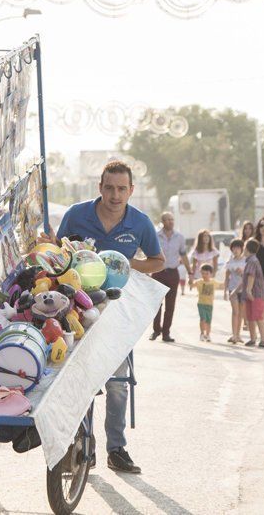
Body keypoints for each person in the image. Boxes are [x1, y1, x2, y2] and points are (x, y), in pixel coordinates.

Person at [39, 160, 164, 474]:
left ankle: (117, 449)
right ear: (100, 188)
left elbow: (158, 261)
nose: (115, 194)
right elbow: (59, 254)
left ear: (131, 190)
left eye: (122, 188)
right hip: (78, 309)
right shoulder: (77, 214)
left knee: (117, 383)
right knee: (78, 379)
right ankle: (82, 445)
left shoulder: (140, 223)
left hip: (118, 314)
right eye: (109, 187)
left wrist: (123, 266)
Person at [152, 212, 191, 342]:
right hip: (158, 272)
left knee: (171, 305)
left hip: (173, 273)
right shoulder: (155, 236)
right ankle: (156, 330)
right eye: (168, 220)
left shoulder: (179, 237)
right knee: (156, 303)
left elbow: (183, 254)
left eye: (172, 219)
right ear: (163, 221)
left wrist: (189, 270)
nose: (171, 222)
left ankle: (166, 333)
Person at [242, 238, 264, 348]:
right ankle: (253, 339)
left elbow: (251, 276)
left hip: (255, 294)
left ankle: (263, 339)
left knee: (258, 316)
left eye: (244, 248)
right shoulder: (250, 260)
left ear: (247, 249)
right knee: (250, 317)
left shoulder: (252, 261)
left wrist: (248, 290)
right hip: (252, 294)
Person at [224, 239, 246, 344]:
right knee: (235, 312)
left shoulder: (245, 261)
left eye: (238, 248)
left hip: (243, 289)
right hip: (232, 289)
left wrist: (242, 273)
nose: (236, 250)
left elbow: (249, 276)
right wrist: (225, 291)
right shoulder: (230, 261)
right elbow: (227, 276)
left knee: (241, 313)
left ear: (242, 249)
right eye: (234, 248)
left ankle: (238, 335)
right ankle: (234, 335)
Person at [196, 264, 216, 342]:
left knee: (208, 320)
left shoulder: (213, 282)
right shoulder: (199, 282)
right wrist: (190, 280)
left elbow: (222, 285)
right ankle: (202, 333)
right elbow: (191, 284)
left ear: (211, 274)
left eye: (207, 273)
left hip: (210, 305)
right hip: (201, 304)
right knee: (203, 318)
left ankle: (207, 335)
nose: (204, 275)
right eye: (203, 273)